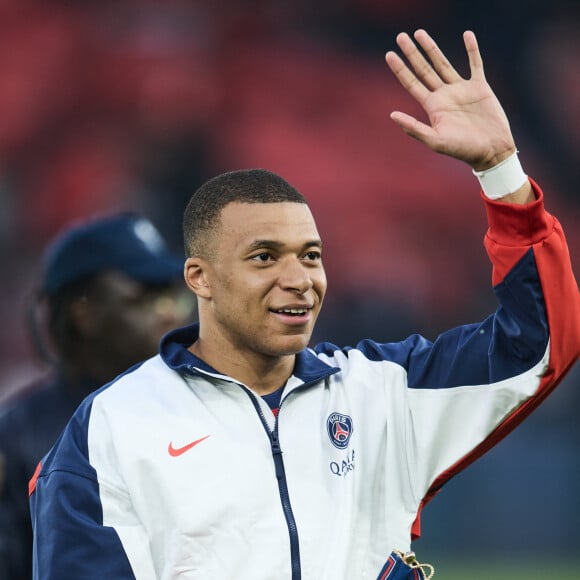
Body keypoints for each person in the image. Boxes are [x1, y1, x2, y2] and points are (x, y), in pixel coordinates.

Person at [29, 30, 580, 580]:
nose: (298, 279)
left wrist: (502, 171)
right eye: (265, 257)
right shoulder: (112, 427)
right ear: (200, 279)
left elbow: (540, 345)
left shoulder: (383, 391)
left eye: (310, 256)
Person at [0, 212, 195, 580]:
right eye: (147, 300)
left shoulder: (209, 409)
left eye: (174, 298)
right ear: (84, 313)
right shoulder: (18, 437)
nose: (171, 315)